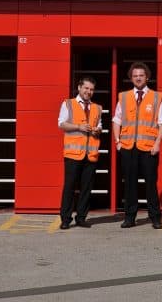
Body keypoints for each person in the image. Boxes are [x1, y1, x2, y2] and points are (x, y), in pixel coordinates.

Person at [112, 62, 162, 229]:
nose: (138, 78)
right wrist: (117, 142)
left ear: (147, 77)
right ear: (131, 78)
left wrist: (157, 143)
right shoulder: (123, 96)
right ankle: (130, 217)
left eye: (141, 75)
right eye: (135, 75)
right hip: (128, 147)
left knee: (151, 183)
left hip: (149, 148)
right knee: (129, 184)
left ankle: (155, 217)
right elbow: (116, 120)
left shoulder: (156, 97)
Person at [57, 77, 102, 230]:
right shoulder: (68, 103)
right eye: (86, 88)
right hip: (73, 153)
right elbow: (61, 124)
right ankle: (65, 219)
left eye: (91, 89)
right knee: (69, 187)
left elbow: (99, 125)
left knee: (86, 188)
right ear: (79, 88)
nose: (89, 92)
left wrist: (97, 130)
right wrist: (79, 127)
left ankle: (81, 218)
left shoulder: (97, 107)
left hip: (90, 154)